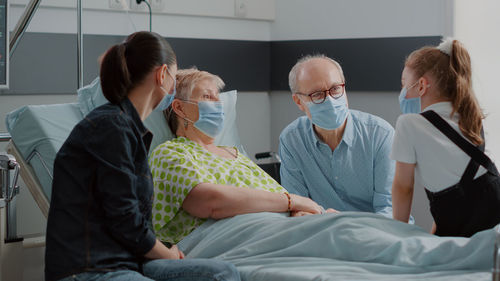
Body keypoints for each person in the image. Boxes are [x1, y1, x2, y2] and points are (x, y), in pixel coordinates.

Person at [45, 32, 239, 281]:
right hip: (89, 269)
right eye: (173, 76)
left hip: (130, 262)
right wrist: (166, 254)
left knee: (223, 273)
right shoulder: (110, 127)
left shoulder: (132, 131)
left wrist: (163, 251)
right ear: (161, 75)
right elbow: (125, 220)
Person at [150, 68, 326, 244]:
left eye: (218, 97)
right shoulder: (170, 153)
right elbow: (210, 202)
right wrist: (292, 202)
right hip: (239, 241)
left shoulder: (234, 155)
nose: (218, 104)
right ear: (180, 108)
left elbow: (277, 196)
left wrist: (298, 212)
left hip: (281, 230)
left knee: (344, 225)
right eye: (207, 97)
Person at [391, 38, 500, 237]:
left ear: (422, 85)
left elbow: (403, 187)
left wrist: (398, 237)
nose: (402, 93)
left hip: (467, 216)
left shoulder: (408, 123)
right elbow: (453, 195)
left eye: (404, 84)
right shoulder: (470, 116)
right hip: (491, 204)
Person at [278, 54, 395, 218]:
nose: (330, 101)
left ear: (344, 88)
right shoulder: (292, 140)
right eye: (317, 94)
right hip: (322, 232)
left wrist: (347, 225)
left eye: (335, 89)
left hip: (376, 233)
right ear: (298, 101)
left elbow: (391, 211)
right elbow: (296, 206)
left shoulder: (380, 135)